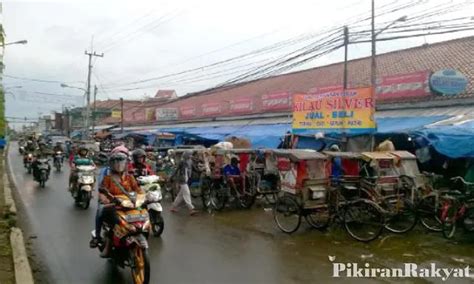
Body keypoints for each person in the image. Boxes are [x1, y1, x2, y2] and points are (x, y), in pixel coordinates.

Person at [89, 151, 144, 256]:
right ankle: (97, 236)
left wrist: (142, 197)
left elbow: (138, 190)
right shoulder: (108, 178)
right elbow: (102, 192)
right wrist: (105, 200)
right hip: (114, 206)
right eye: (116, 163)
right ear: (111, 164)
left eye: (121, 162)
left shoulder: (130, 177)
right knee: (101, 212)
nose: (119, 165)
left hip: (129, 205)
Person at [170, 150, 198, 215]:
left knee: (180, 195)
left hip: (187, 179)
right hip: (182, 179)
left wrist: (202, 169)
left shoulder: (190, 161)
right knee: (187, 193)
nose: (191, 156)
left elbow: (195, 169)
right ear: (186, 155)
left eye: (191, 155)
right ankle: (191, 209)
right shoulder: (182, 162)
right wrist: (171, 176)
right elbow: (176, 169)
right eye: (190, 155)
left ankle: (173, 207)